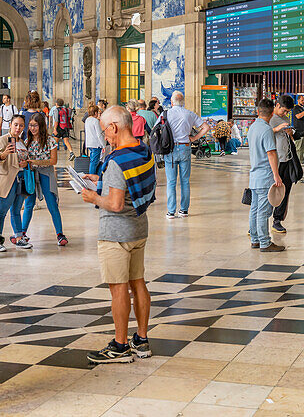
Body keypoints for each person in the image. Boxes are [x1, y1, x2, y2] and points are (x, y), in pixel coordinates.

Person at [79, 105, 156, 364]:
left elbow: (114, 203)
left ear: (114, 127)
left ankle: (120, 346)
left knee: (119, 289)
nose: (105, 137)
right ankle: (142, 340)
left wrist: (92, 195)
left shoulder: (115, 160)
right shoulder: (144, 151)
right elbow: (130, 183)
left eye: (105, 131)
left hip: (116, 234)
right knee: (139, 282)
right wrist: (99, 177)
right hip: (139, 228)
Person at [159, 91, 209, 219]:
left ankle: (171, 212)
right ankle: (184, 210)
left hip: (170, 149)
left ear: (171, 102)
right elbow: (206, 127)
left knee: (171, 182)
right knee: (185, 181)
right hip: (185, 147)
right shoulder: (189, 114)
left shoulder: (166, 114)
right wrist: (194, 138)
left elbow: (156, 129)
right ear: (183, 102)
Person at [20, 114, 66, 247]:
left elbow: (53, 161)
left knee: (52, 203)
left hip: (46, 174)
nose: (32, 128)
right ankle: (23, 232)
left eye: (35, 125)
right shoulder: (26, 140)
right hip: (31, 174)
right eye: (30, 125)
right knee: (29, 203)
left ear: (41, 126)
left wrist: (35, 161)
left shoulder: (50, 141)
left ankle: (60, 234)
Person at [246, 98, 285, 252]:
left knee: (254, 209)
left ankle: (255, 239)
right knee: (263, 211)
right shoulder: (267, 130)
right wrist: (276, 175)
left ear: (258, 111)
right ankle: (265, 242)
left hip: (254, 175)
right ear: (271, 113)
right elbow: (271, 153)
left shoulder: (252, 127)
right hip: (265, 176)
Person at [0, 115, 28, 251]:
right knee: (2, 209)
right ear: (10, 125)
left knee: (17, 210)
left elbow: (24, 158)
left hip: (21, 177)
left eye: (21, 125)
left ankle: (19, 237)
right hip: (8, 178)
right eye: (16, 125)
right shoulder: (3, 140)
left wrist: (26, 163)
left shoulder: (22, 142)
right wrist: (4, 154)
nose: (18, 128)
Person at [268, 95, 297, 234]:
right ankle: (258, 221)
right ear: (277, 105)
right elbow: (264, 134)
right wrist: (277, 128)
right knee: (269, 191)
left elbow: (288, 137)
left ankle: (277, 220)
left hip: (286, 158)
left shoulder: (285, 119)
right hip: (274, 161)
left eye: (287, 112)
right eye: (284, 111)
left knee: (284, 190)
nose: (285, 114)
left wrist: (290, 132)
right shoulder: (270, 118)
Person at [85, 105, 105, 178]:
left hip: (89, 143)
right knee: (94, 162)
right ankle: (92, 177)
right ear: (96, 112)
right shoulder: (95, 121)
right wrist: (103, 145)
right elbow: (99, 134)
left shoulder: (87, 120)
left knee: (94, 161)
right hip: (96, 144)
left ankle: (96, 176)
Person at [290, 95, 304, 167]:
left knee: (303, 147)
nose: (303, 102)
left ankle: (301, 160)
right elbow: (298, 116)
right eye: (302, 100)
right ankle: (297, 162)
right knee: (298, 147)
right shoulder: (296, 108)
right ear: (298, 100)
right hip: (298, 130)